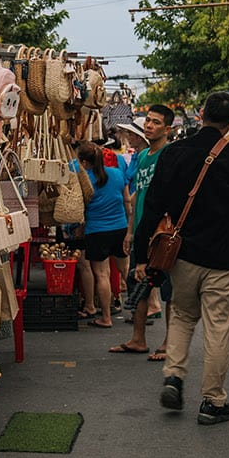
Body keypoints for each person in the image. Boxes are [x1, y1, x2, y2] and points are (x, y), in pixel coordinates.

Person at [132, 93, 229, 426]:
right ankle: (213, 400)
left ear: (200, 114)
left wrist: (141, 255)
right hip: (225, 257)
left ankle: (174, 377)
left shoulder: (173, 154)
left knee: (182, 315)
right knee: (218, 326)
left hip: (181, 256)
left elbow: (151, 208)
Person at [110, 107, 173, 358]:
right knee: (138, 285)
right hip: (141, 231)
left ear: (167, 129)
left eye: (155, 122)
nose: (149, 125)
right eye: (147, 121)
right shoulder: (144, 155)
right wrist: (129, 231)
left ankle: (170, 343)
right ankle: (138, 339)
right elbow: (137, 198)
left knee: (169, 290)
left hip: (163, 234)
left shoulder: (169, 155)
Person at [77, 141, 131, 329]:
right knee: (126, 271)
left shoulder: (84, 179)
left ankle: (106, 317)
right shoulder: (116, 174)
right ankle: (140, 311)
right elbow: (126, 201)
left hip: (97, 230)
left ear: (84, 162)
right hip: (120, 227)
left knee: (102, 274)